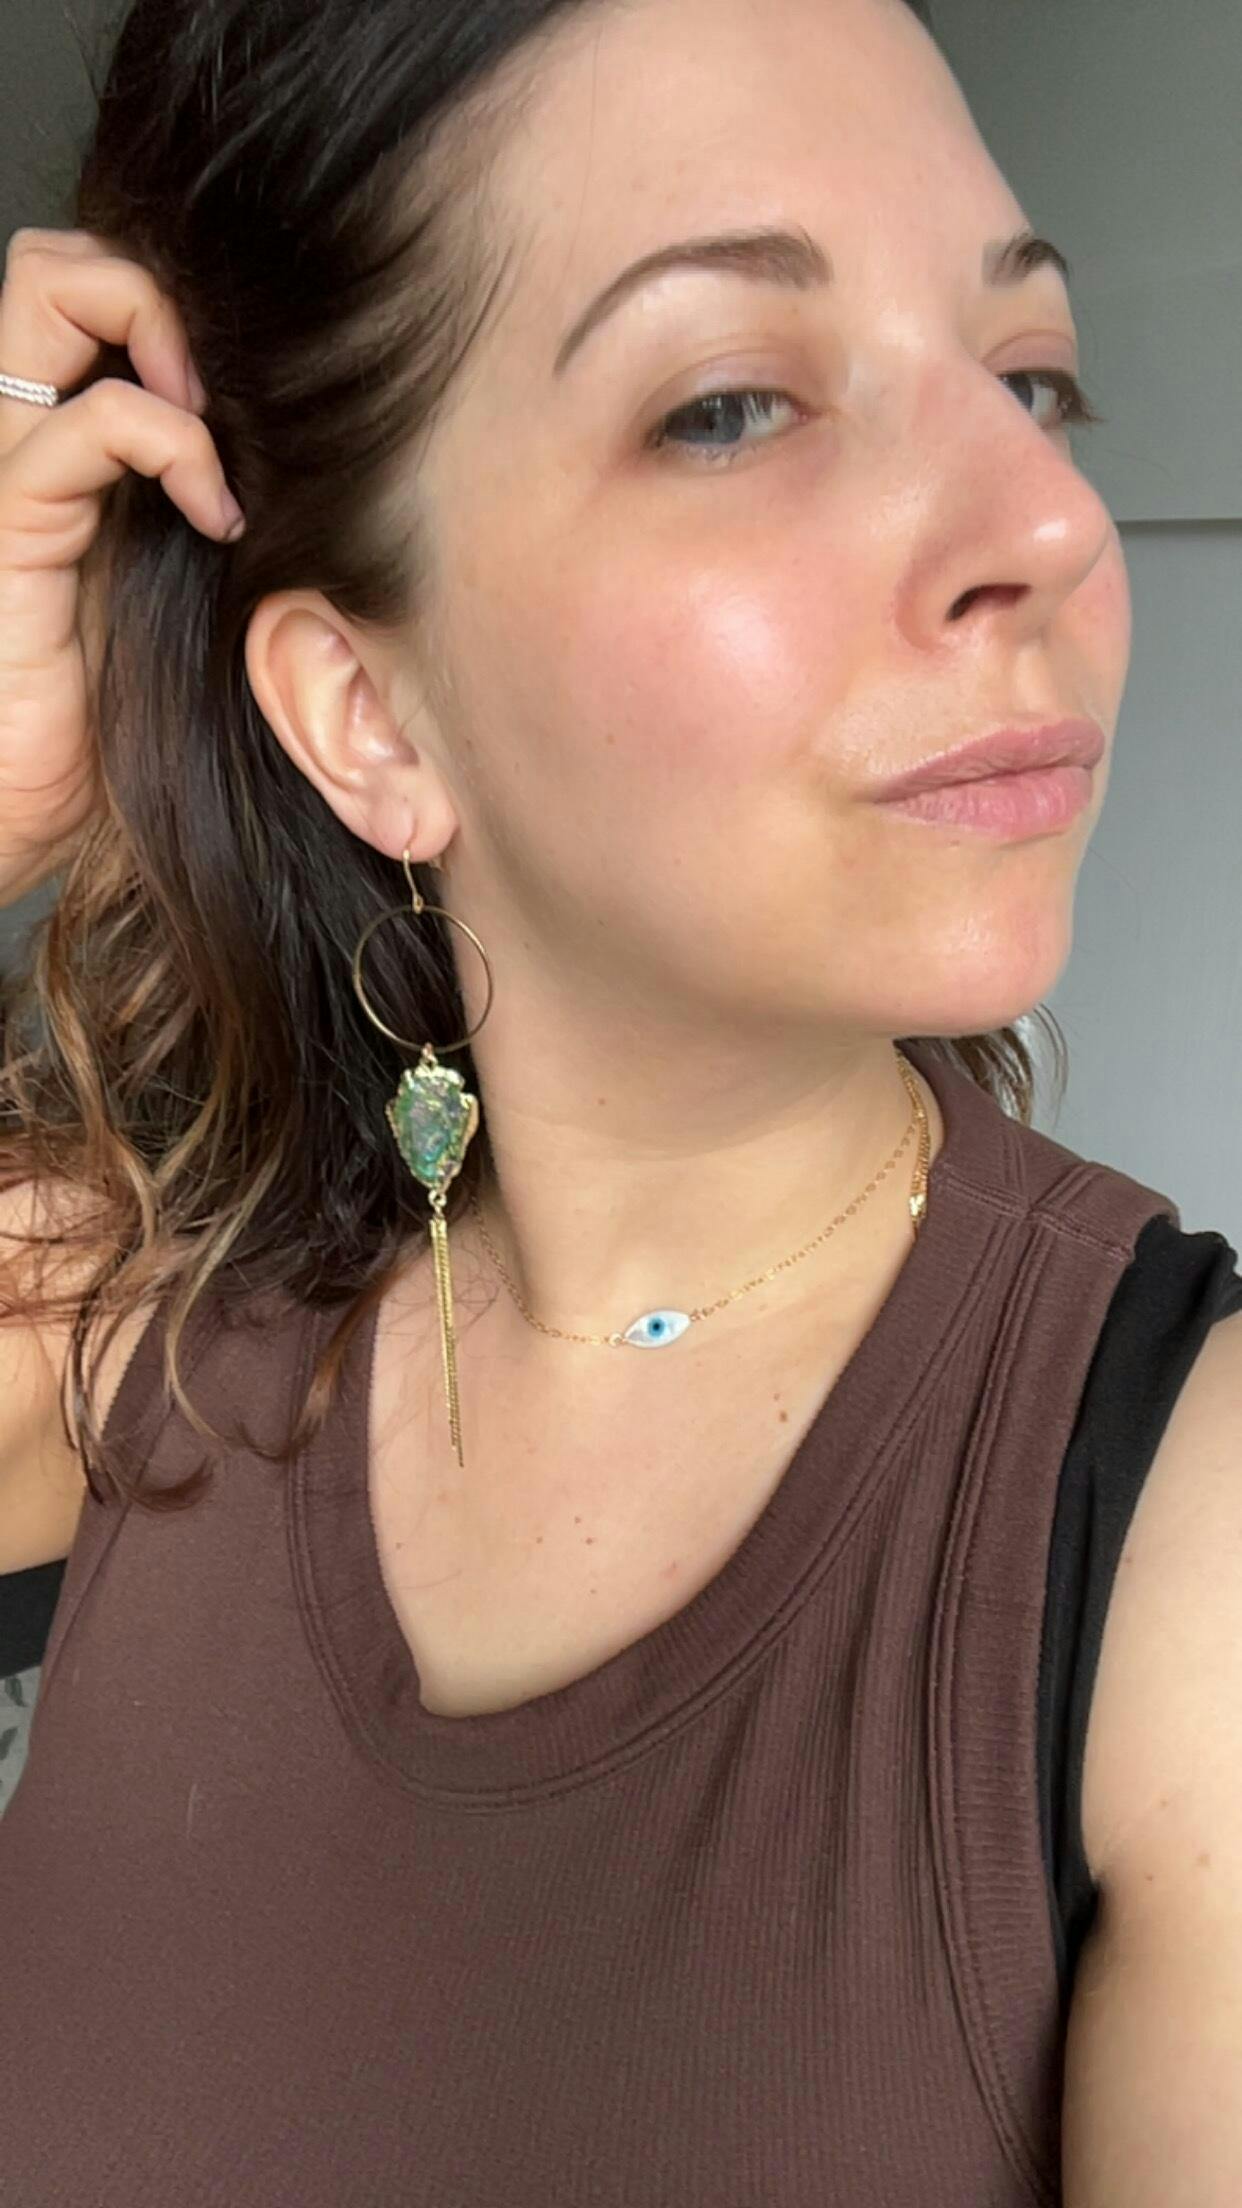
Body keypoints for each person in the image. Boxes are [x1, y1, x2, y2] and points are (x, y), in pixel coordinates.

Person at [0, 0, 1240, 2198]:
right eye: (733, 404)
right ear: (368, 712)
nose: (1048, 521)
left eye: (1029, 375)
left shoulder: (1183, 1543)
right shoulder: (133, 1325)